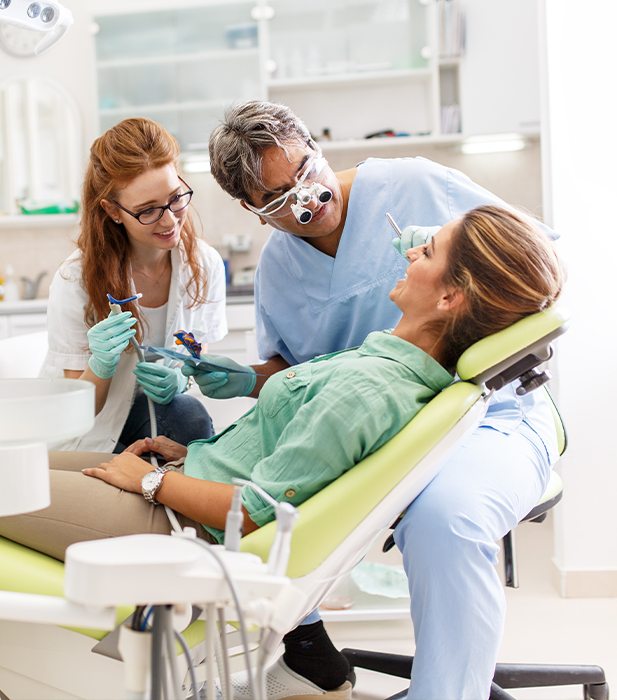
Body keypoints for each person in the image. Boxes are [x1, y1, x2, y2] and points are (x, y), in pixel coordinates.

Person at [0, 207, 563, 700]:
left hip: (175, 522)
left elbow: (253, 510)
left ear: (448, 297)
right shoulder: (388, 367)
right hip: (182, 479)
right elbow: (283, 457)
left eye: (429, 249)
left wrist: (149, 482)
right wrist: (192, 453)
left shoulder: (368, 390)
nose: (411, 249)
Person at [183, 101, 563, 700]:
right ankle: (307, 650)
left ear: (317, 143)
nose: (308, 198)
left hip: (489, 416)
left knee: (445, 518)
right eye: (279, 200)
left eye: (307, 171)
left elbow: (538, 261)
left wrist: (452, 267)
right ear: (252, 211)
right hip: (374, 437)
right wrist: (245, 377)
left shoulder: (413, 186)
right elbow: (305, 372)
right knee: (261, 493)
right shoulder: (282, 268)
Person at [40, 118, 227, 453]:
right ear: (113, 210)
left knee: (188, 413)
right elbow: (79, 411)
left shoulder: (204, 263)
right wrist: (100, 365)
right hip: (89, 430)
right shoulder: (75, 281)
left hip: (156, 417)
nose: (170, 220)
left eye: (175, 198)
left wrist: (183, 378)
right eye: (148, 210)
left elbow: (197, 350)